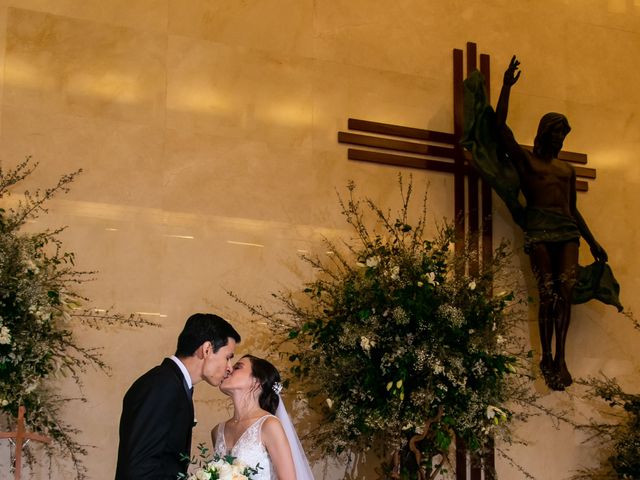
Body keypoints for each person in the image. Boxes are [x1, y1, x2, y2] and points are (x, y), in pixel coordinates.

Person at [462, 56, 609, 391]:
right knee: (547, 294)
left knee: (566, 290)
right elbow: (500, 131)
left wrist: (594, 241)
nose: (560, 142)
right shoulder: (526, 160)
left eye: (563, 137)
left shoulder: (566, 170)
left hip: (567, 232)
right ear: (546, 132)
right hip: (539, 231)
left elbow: (573, 210)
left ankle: (561, 357)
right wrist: (506, 87)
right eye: (557, 135)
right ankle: (546, 355)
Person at [115, 313, 241, 479]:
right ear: (207, 349)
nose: (229, 368)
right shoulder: (162, 385)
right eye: (228, 358)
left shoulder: (172, 383)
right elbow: (140, 467)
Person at [212, 355, 314, 480]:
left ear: (258, 381)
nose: (228, 370)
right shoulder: (217, 431)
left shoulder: (269, 425)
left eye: (237, 367)